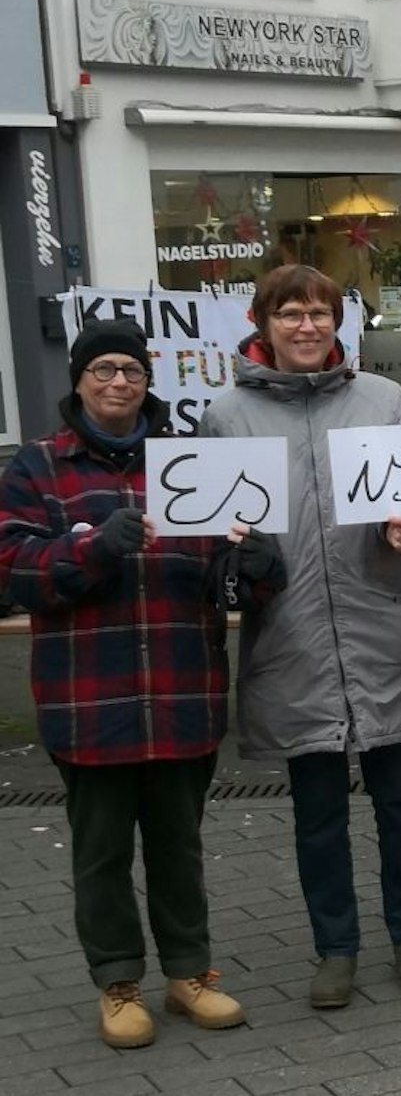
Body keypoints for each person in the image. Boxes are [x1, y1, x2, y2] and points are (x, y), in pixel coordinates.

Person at [0, 320, 284, 1048]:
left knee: (179, 845)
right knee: (100, 853)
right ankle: (117, 980)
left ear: (148, 378)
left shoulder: (192, 459)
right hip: (87, 698)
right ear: (79, 380)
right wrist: (91, 546)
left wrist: (254, 570)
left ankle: (190, 973)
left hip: (181, 691)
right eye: (103, 370)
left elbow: (233, 569)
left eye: (130, 368)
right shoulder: (36, 466)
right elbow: (12, 571)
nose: (118, 382)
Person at [199, 265, 401, 1009]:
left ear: (338, 322)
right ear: (262, 322)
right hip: (293, 640)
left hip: (379, 629)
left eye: (319, 313)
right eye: (290, 314)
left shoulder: (383, 400)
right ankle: (334, 949)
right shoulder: (226, 414)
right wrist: (230, 548)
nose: (306, 327)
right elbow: (209, 537)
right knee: (318, 813)